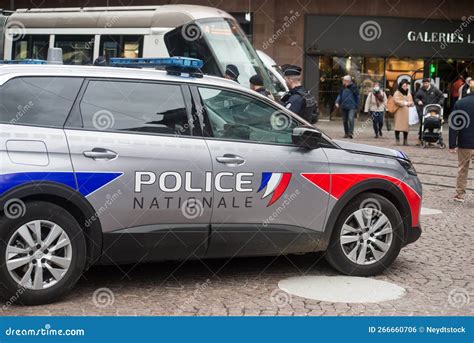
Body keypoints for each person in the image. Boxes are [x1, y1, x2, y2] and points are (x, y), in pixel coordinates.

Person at [449, 83, 474, 203]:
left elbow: (454, 124)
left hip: (465, 142)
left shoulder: (460, 103)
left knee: (462, 169)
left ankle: (460, 194)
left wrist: (452, 144)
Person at [414, 78, 444, 144]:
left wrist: (438, 104)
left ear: (429, 83)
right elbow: (416, 97)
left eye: (426, 83)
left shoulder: (435, 89)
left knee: (432, 123)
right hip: (423, 109)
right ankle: (420, 138)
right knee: (423, 123)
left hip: (433, 110)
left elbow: (442, 96)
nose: (425, 85)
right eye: (424, 83)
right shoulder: (420, 90)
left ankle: (430, 139)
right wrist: (418, 101)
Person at [393, 80, 415, 146]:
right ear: (401, 86)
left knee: (406, 127)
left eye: (406, 86)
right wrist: (405, 103)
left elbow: (411, 100)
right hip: (399, 111)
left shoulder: (408, 93)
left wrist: (411, 103)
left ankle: (405, 140)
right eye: (404, 86)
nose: (405, 87)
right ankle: (397, 140)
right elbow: (396, 100)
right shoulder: (397, 92)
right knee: (398, 126)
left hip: (406, 112)